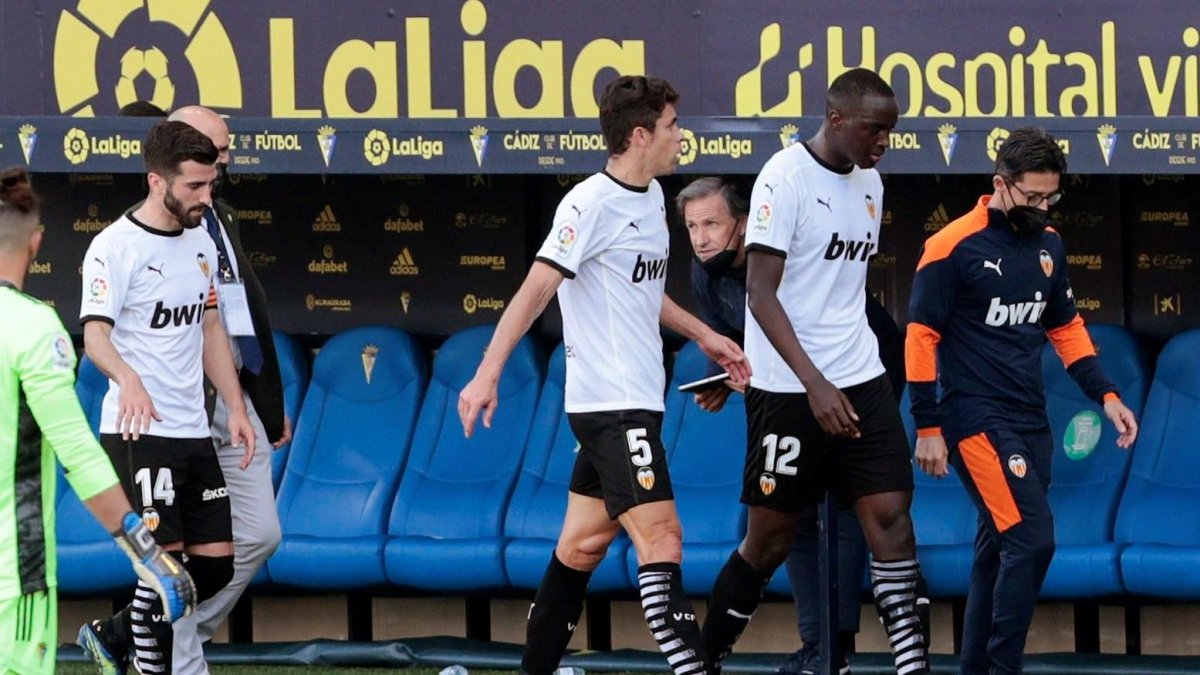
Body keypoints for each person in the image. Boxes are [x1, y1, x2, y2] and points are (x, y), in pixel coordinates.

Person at [458, 75, 750, 675]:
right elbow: (537, 288)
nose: (680, 135)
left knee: (581, 546)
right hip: (611, 405)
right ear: (641, 135)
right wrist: (487, 371)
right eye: (672, 126)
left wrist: (706, 336)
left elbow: (638, 292)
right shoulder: (588, 203)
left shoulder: (648, 199)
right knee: (663, 540)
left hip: (636, 401)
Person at [699, 68, 930, 675]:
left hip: (860, 376)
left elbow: (840, 289)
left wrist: (843, 376)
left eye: (892, 131)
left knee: (891, 520)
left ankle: (913, 668)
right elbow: (761, 292)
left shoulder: (872, 183)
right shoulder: (786, 177)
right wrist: (814, 383)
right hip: (788, 390)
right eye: (874, 129)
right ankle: (703, 661)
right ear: (836, 119)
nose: (884, 142)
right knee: (768, 541)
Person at [906, 127, 1138, 675]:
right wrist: (929, 427)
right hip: (974, 418)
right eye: (1030, 196)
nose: (1039, 207)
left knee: (996, 547)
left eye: (1048, 197)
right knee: (1031, 541)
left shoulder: (1048, 244)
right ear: (1000, 185)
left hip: (1030, 418)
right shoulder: (952, 245)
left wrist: (1105, 394)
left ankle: (976, 668)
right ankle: (1003, 665)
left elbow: (1065, 327)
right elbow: (920, 336)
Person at [677, 176, 905, 675]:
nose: (701, 238)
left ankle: (833, 650)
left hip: (862, 371)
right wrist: (727, 378)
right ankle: (805, 648)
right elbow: (744, 344)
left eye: (712, 223)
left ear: (744, 223)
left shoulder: (782, 260)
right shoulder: (705, 275)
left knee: (851, 507)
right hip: (788, 388)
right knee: (785, 516)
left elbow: (813, 338)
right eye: (692, 227)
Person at [75, 121, 256, 675]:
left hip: (193, 429)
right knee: (163, 575)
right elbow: (95, 335)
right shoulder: (114, 246)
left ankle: (108, 635)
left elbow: (208, 329)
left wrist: (237, 407)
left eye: (211, 185)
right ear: (158, 182)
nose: (207, 197)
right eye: (195, 187)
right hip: (139, 432)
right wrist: (127, 378)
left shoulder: (202, 239)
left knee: (216, 570)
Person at [0, 166, 195, 674]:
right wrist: (149, 555)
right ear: (37, 243)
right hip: (12, 578)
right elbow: (79, 455)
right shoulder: (34, 328)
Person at [165, 105, 289, 675]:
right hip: (184, 410)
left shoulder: (224, 217)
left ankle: (156, 630)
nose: (227, 160)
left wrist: (267, 405)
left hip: (236, 402)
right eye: (216, 151)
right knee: (190, 549)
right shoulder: (152, 229)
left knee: (261, 533)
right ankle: (172, 649)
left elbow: (248, 316)